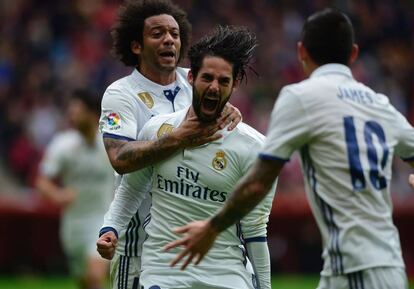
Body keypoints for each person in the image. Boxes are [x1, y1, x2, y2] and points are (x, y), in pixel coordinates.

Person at [166, 8, 414, 289]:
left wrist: (212, 228)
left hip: (356, 266)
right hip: (386, 266)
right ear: (353, 54)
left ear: (302, 51)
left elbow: (259, 182)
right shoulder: (380, 103)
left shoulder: (300, 97)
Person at [97, 25, 276, 289]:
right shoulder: (156, 129)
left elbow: (255, 232)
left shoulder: (254, 148)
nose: (214, 87)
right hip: (163, 272)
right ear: (190, 78)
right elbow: (131, 189)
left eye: (223, 81)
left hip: (225, 274)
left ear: (235, 84)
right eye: (207, 78)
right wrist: (109, 228)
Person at [36, 89, 114, 289]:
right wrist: (57, 195)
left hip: (103, 219)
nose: (71, 115)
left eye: (76, 110)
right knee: (84, 282)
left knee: (95, 276)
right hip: (73, 224)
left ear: (91, 113)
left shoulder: (110, 142)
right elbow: (42, 180)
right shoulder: (63, 144)